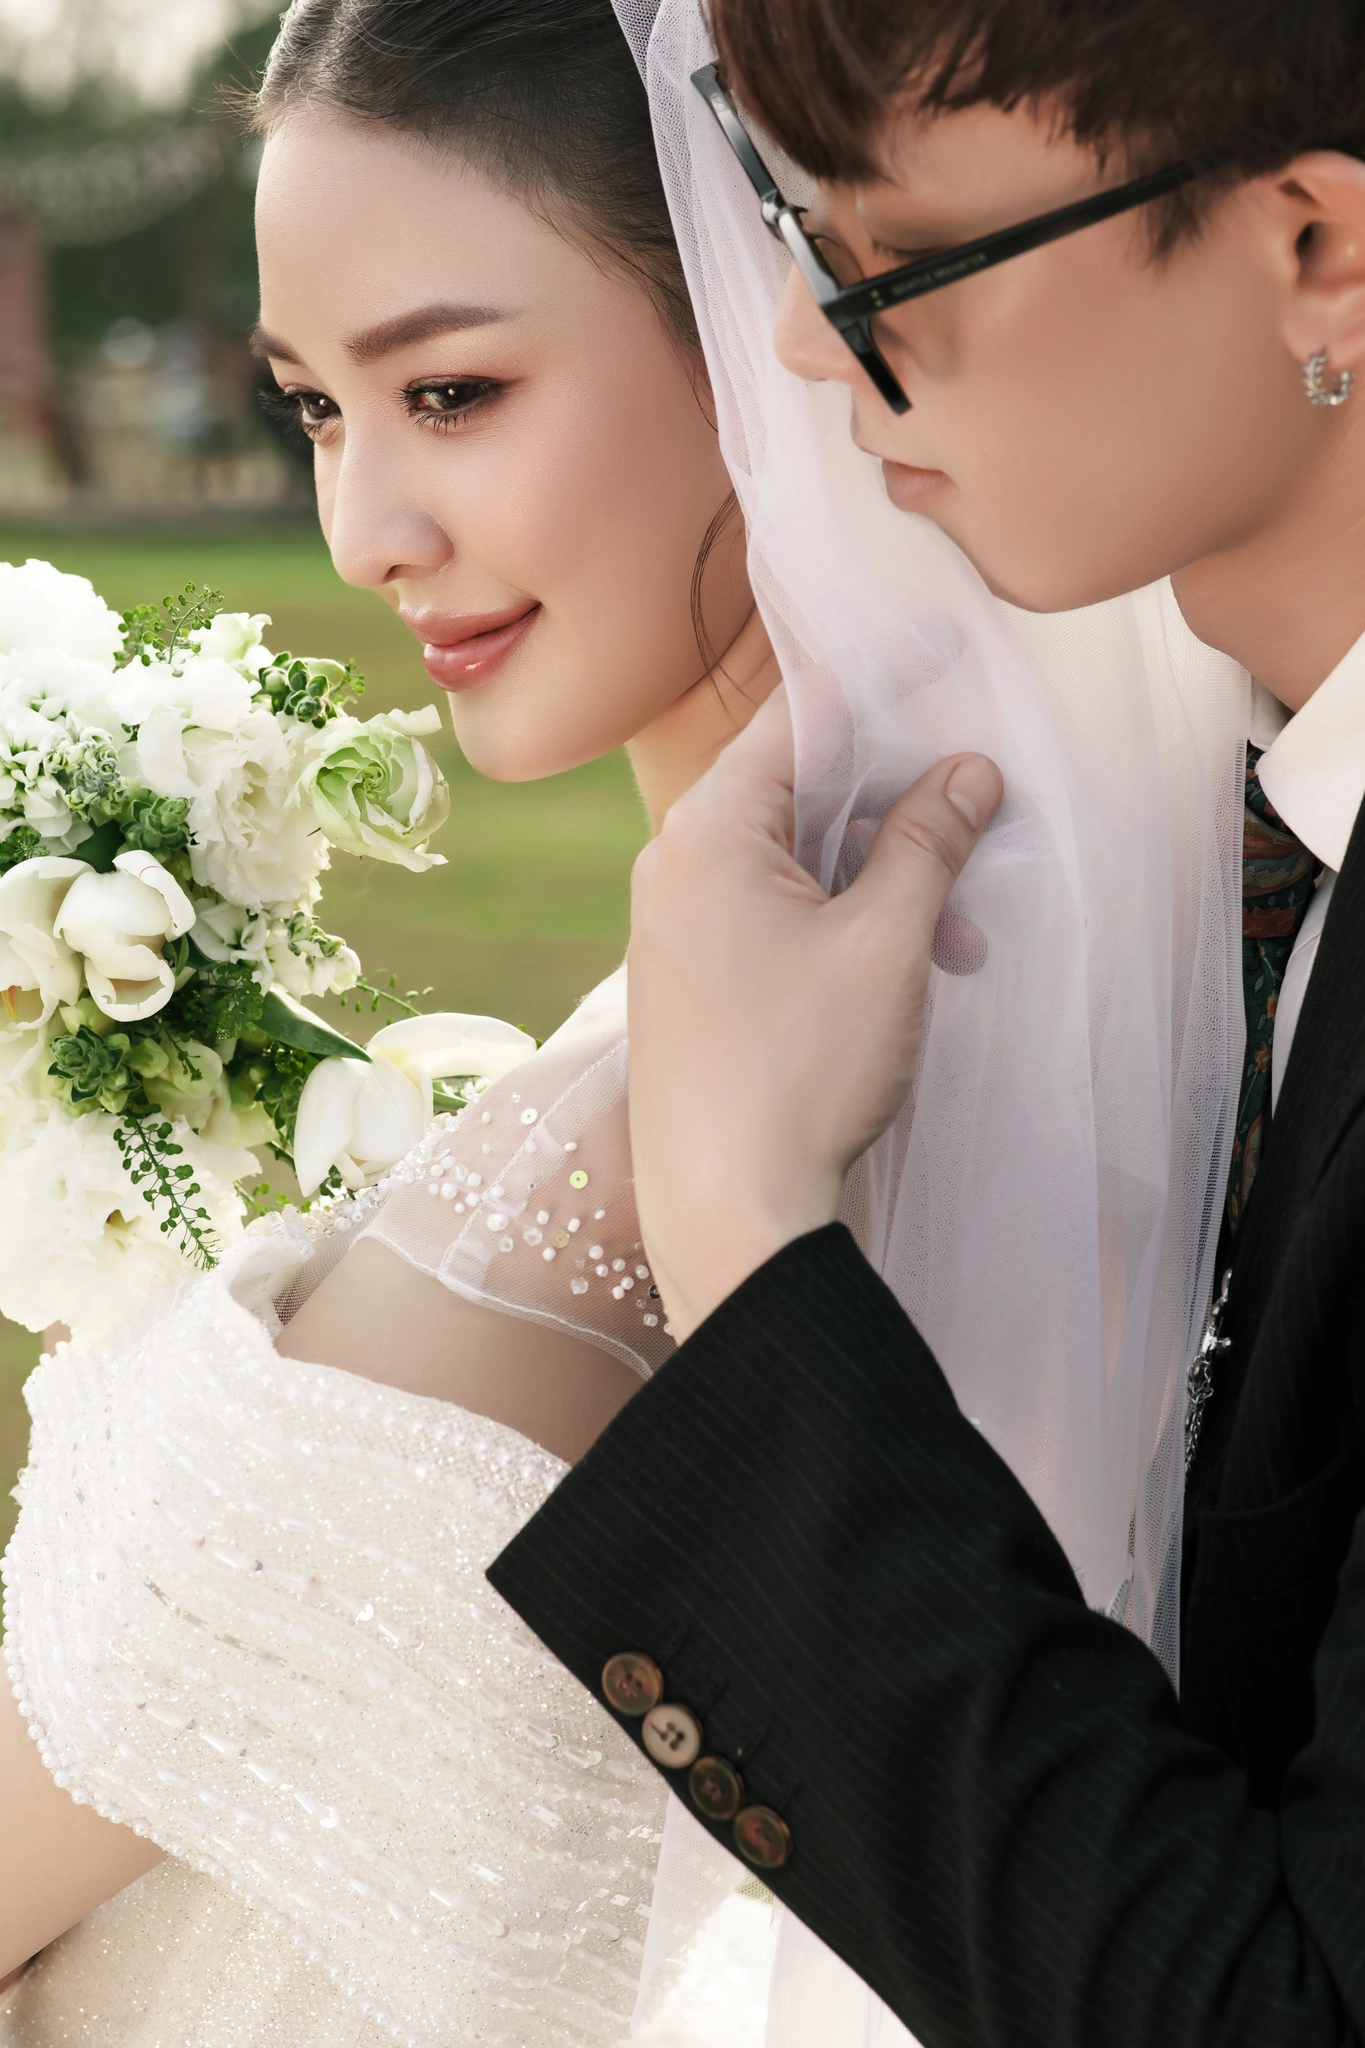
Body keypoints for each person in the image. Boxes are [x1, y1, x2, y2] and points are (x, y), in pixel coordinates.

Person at [486, 0, 1365, 2042]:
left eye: (889, 263)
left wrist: (747, 1232)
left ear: (1317, 246)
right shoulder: (1239, 830)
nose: (805, 345)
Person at [0, 2, 782, 2040]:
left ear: (762, 318)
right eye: (315, 410)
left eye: (451, 391)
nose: (363, 534)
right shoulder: (657, 1060)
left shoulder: (625, 1153)